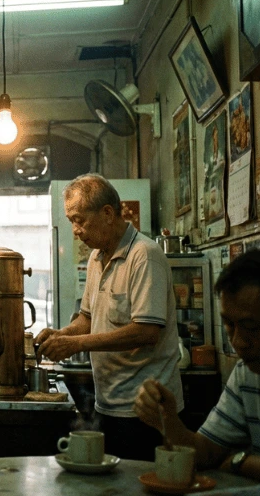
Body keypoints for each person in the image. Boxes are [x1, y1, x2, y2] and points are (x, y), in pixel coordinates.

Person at [35, 173, 183, 461]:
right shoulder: (96, 257)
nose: (75, 230)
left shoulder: (145, 256)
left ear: (106, 214)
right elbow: (87, 319)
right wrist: (62, 334)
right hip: (108, 403)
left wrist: (78, 345)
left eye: (79, 220)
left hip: (145, 410)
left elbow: (146, 332)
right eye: (71, 222)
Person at [134, 249, 260, 483]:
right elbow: (205, 454)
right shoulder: (246, 374)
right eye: (229, 324)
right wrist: (168, 421)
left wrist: (239, 462)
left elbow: (224, 461)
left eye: (252, 326)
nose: (238, 342)